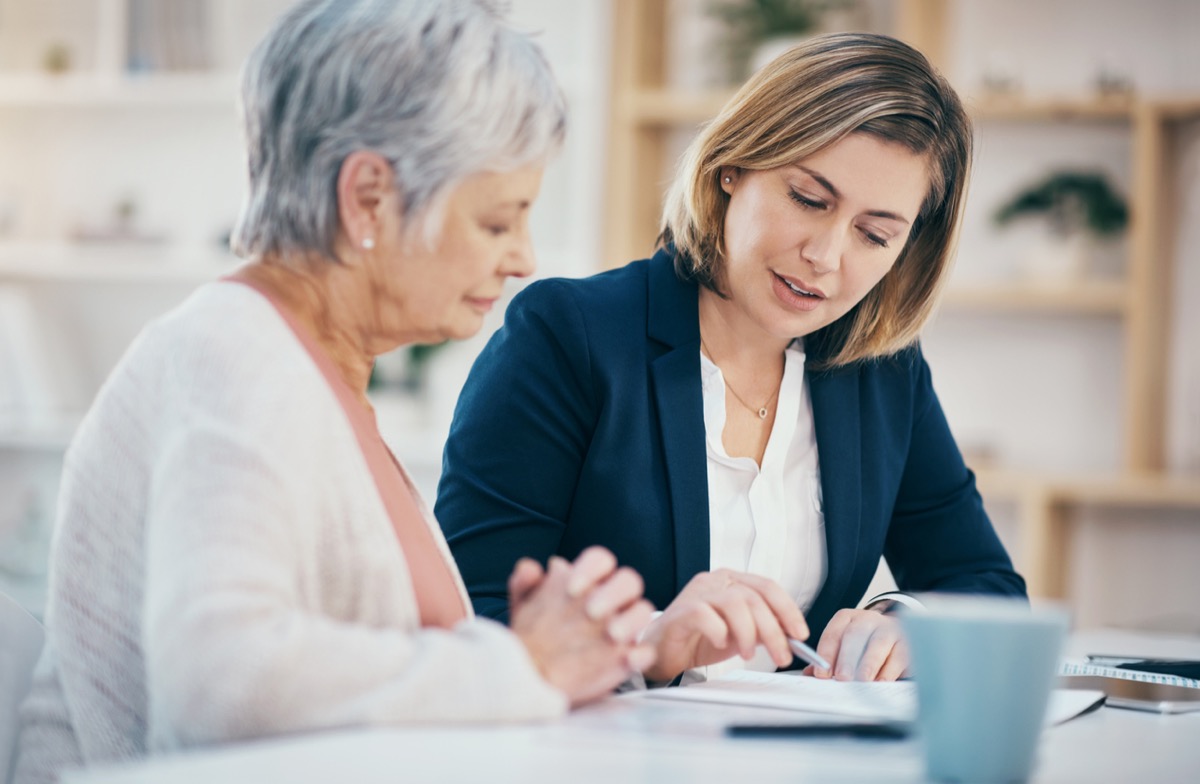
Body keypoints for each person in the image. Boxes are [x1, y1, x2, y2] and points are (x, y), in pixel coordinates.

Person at [14, 1, 656, 780]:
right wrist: (519, 666)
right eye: (496, 222)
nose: (522, 258)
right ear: (368, 198)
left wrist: (600, 654)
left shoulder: (309, 372)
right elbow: (221, 684)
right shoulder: (235, 358)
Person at [435, 32, 1026, 687]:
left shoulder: (883, 374)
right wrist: (652, 646)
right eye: (809, 199)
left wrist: (903, 620)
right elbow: (466, 620)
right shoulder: (566, 337)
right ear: (733, 168)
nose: (827, 257)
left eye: (874, 234)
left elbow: (989, 591)